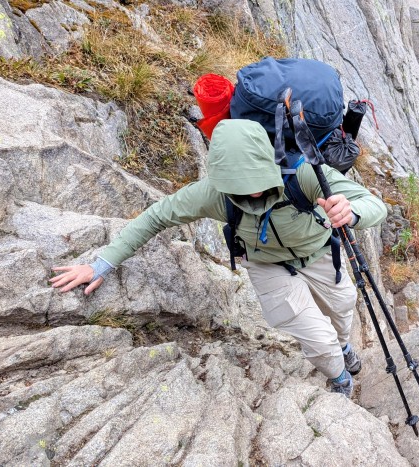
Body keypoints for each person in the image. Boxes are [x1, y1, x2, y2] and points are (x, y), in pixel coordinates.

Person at [50, 119, 387, 398]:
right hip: (267, 266)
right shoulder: (213, 193)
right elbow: (156, 217)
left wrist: (352, 212)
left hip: (320, 254)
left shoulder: (302, 174)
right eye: (241, 186)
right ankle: (340, 378)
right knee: (316, 336)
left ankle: (343, 347)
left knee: (342, 309)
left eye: (257, 182)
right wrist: (100, 265)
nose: (253, 193)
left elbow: (374, 205)